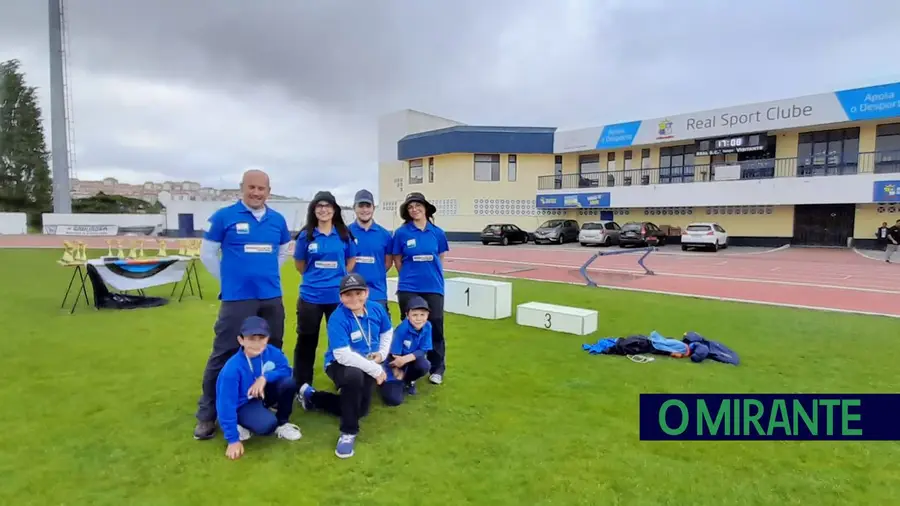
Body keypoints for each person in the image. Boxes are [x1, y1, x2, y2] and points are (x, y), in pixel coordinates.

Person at [194, 169, 293, 440]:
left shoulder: (278, 220)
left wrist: (266, 272)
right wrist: (229, 280)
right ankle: (207, 414)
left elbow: (283, 250)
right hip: (237, 298)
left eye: (262, 188)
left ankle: (262, 400)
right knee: (223, 353)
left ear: (268, 191)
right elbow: (208, 254)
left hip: (271, 296)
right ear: (242, 188)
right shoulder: (224, 217)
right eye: (252, 187)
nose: (256, 192)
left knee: (272, 350)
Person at [297, 273, 393, 459]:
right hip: (338, 364)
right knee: (353, 376)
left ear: (367, 292)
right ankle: (348, 432)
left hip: (368, 362)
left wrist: (381, 354)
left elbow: (387, 331)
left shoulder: (376, 309)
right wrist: (375, 369)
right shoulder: (338, 317)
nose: (354, 298)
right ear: (341, 297)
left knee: (361, 410)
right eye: (348, 294)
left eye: (359, 293)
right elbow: (343, 355)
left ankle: (312, 397)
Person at [292, 191, 357, 388]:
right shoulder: (306, 235)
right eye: (319, 206)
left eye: (327, 206)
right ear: (313, 210)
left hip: (337, 298)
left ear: (334, 209)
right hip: (310, 297)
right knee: (306, 342)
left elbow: (350, 261)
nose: (323, 210)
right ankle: (302, 385)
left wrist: (337, 277)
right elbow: (300, 265)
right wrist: (316, 279)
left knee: (340, 341)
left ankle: (342, 379)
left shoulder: (344, 234)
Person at [215, 316, 302, 460]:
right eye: (251, 338)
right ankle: (237, 424)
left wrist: (265, 377)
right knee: (267, 426)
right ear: (241, 340)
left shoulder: (271, 352)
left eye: (261, 338)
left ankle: (283, 423)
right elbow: (226, 404)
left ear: (267, 338)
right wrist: (233, 440)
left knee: (289, 383)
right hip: (243, 404)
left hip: (261, 395)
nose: (256, 343)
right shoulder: (232, 369)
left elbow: (286, 369)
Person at [391, 192, 449, 385]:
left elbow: (439, 258)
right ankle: (409, 369)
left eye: (417, 205)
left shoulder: (437, 232)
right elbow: (398, 260)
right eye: (410, 207)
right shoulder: (401, 233)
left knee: (435, 327)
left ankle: (437, 368)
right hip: (409, 287)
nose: (414, 209)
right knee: (409, 328)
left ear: (425, 208)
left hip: (433, 287)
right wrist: (408, 277)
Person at [348, 189, 394, 317]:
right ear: (354, 208)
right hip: (351, 292)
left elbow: (388, 262)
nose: (364, 210)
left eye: (368, 206)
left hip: (377, 293)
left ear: (373, 208)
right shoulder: (345, 233)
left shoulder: (384, 235)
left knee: (381, 334)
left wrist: (374, 273)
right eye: (361, 206)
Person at [380, 296, 433, 406]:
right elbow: (394, 354)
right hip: (393, 361)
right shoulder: (402, 329)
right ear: (407, 315)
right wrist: (396, 371)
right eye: (414, 315)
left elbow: (424, 349)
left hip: (407, 360)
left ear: (427, 315)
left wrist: (406, 360)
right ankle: (386, 382)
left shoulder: (428, 326)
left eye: (422, 315)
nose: (419, 318)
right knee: (393, 400)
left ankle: (408, 381)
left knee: (424, 365)